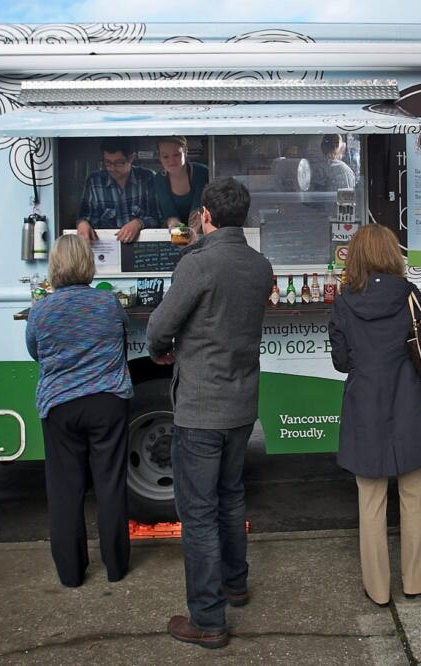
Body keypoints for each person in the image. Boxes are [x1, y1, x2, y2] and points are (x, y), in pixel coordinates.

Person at [146, 178, 272, 650]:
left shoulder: (196, 263)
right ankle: (235, 584)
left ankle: (208, 619)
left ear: (205, 214)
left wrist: (161, 350)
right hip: (241, 404)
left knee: (197, 512)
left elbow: (161, 326)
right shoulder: (259, 265)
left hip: (201, 406)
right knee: (231, 496)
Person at [328, 224, 421, 605]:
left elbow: (342, 361)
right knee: (414, 497)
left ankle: (378, 590)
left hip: (365, 408)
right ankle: (415, 583)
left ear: (358, 256)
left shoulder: (345, 301)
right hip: (410, 404)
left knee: (371, 502)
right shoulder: (409, 294)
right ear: (393, 254)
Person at [24, 233, 132, 587]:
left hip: (61, 405)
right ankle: (116, 567)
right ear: (89, 263)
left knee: (65, 491)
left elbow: (35, 351)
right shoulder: (108, 304)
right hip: (108, 401)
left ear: (54, 266)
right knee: (110, 484)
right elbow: (122, 339)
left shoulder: (40, 309)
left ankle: (71, 573)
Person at [76, 138, 159, 244]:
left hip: (140, 248)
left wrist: (139, 223)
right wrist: (82, 224)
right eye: (108, 163)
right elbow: (84, 216)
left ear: (131, 158)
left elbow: (157, 218)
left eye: (118, 163)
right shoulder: (94, 181)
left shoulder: (147, 178)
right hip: (104, 248)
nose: (112, 168)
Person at [153, 136, 210, 235]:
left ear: (185, 152)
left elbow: (197, 211)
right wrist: (182, 238)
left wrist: (194, 233)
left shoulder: (202, 172)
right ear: (159, 158)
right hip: (175, 231)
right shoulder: (159, 179)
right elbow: (171, 216)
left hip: (203, 229)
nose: (171, 161)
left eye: (176, 155)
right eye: (165, 157)